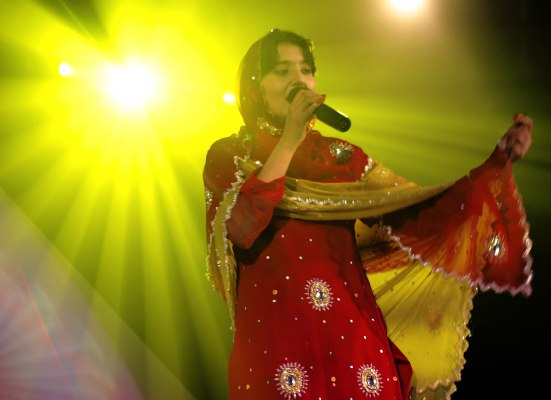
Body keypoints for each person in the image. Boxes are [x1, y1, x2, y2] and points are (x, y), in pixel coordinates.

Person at [203, 29, 533, 400]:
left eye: (306, 70)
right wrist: (289, 141)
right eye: (282, 71)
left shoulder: (339, 158)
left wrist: (494, 164)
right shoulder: (230, 156)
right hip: (278, 349)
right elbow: (241, 227)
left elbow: (417, 210)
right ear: (254, 87)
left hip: (354, 346)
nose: (298, 80)